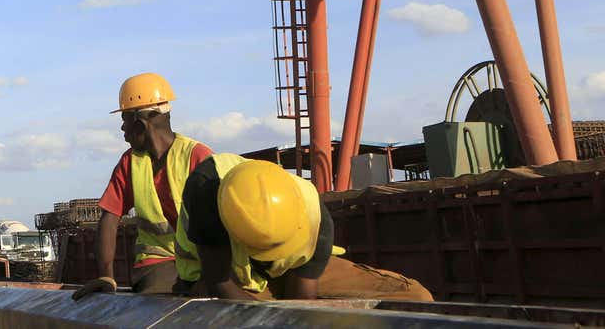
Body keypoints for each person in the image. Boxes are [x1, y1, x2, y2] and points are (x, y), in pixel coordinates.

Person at [175, 155, 432, 301]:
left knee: (415, 297)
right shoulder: (206, 191)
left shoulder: (315, 218)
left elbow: (301, 305)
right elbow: (220, 282)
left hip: (288, 272)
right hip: (230, 278)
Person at [74, 73, 212, 299]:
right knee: (158, 306)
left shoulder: (196, 157)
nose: (122, 129)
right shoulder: (130, 163)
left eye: (124, 120)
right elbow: (109, 219)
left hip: (205, 259)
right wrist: (107, 278)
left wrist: (209, 278)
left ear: (140, 124)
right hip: (158, 262)